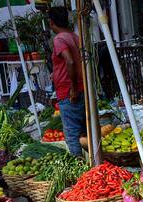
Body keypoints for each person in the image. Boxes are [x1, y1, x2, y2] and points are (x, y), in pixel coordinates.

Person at [48, 6, 85, 156]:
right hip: (81, 88)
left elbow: (69, 62)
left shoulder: (59, 39)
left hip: (69, 91)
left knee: (72, 134)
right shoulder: (75, 36)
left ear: (51, 22)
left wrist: (73, 89)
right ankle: (89, 166)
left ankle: (79, 169)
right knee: (83, 131)